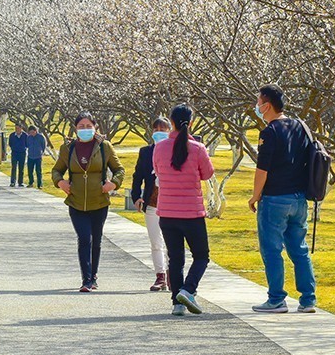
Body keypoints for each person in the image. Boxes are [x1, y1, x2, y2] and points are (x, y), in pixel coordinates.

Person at [248, 84, 317, 314]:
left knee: (272, 250)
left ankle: (276, 298)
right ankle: (308, 299)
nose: (257, 106)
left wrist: (255, 196)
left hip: (275, 199)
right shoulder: (301, 126)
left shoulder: (269, 132)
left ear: (267, 106)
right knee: (299, 249)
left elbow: (262, 170)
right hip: (299, 199)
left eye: (259, 102)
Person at [153, 105, 216, 316]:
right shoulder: (197, 148)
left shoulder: (159, 148)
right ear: (191, 123)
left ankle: (177, 303)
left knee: (176, 258)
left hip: (167, 213)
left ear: (171, 122)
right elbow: (207, 174)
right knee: (201, 256)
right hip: (191, 213)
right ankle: (188, 290)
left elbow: (159, 171)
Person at [52, 112, 124, 292]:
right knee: (84, 238)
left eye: (88, 126)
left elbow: (119, 169)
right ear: (75, 129)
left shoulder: (104, 147)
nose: (85, 129)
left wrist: (113, 184)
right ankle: (86, 279)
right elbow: (56, 170)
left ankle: (93, 275)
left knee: (96, 240)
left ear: (95, 127)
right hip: (76, 202)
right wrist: (60, 182)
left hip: (99, 202)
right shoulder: (68, 148)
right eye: (81, 126)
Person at [132, 116, 172, 293]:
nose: (159, 133)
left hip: (172, 203)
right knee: (156, 242)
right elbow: (137, 176)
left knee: (172, 243)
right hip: (153, 203)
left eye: (163, 130)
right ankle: (160, 276)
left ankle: (172, 275)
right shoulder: (146, 152)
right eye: (156, 130)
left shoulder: (175, 150)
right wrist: (136, 196)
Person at [7, 123, 28, 187]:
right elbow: (10, 143)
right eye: (15, 128)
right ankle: (12, 182)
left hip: (22, 153)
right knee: (14, 168)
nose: (17, 130)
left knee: (21, 168)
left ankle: (20, 182)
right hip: (14, 153)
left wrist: (23, 148)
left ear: (21, 128)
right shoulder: (12, 135)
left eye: (18, 128)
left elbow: (27, 144)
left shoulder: (25, 135)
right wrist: (14, 148)